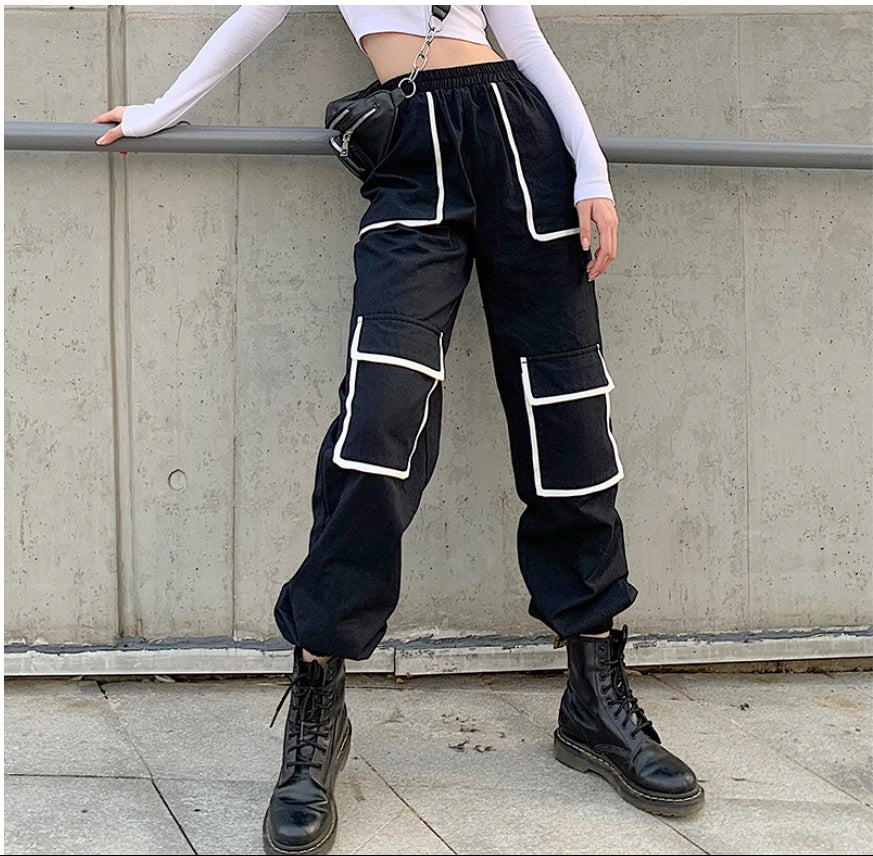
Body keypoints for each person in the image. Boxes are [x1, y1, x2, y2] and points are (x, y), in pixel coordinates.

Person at [93, 5, 704, 854]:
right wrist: (161, 107)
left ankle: (594, 696)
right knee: (378, 420)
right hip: (413, 161)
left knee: (565, 415)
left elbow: (525, 44)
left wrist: (591, 173)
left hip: (523, 148)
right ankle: (319, 695)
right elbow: (253, 15)